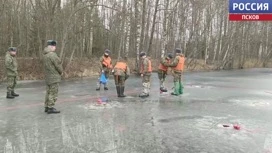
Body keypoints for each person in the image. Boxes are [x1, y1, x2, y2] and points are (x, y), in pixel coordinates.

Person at [43, 40, 63, 114]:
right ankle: (50, 107)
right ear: (51, 46)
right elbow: (58, 65)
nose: (55, 48)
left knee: (48, 92)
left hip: (48, 76)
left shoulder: (45, 55)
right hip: (54, 76)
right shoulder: (52, 55)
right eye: (54, 46)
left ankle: (46, 106)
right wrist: (61, 71)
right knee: (53, 92)